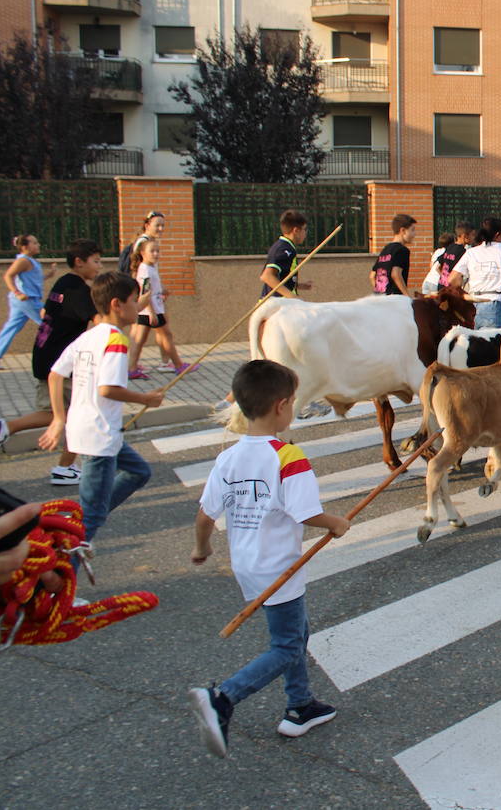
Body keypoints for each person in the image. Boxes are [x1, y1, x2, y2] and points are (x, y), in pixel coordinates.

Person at [187, 359, 350, 759]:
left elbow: (206, 515)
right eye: (293, 402)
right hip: (279, 566)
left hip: (248, 563)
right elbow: (305, 512)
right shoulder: (287, 454)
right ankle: (223, 697)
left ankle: (300, 704)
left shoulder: (229, 457)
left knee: (295, 632)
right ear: (281, 406)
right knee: (288, 645)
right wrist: (336, 523)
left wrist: (202, 548)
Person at [37, 272, 163, 543]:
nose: (136, 307)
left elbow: (55, 374)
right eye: (132, 301)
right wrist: (146, 399)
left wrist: (60, 418)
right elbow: (108, 389)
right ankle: (65, 556)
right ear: (117, 304)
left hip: (92, 430)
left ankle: (83, 516)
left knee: (140, 471)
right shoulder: (116, 341)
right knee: (91, 520)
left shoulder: (89, 336)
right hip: (99, 436)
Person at [0, 239, 100, 485]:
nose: (98, 266)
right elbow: (98, 320)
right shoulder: (77, 288)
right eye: (96, 261)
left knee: (62, 413)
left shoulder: (63, 282)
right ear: (79, 261)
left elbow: (46, 313)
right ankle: (65, 467)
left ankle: (64, 465)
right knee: (82, 413)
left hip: (46, 354)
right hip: (60, 361)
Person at [450, 217, 501, 329]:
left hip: (472, 305)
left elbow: (452, 279)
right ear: (498, 234)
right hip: (494, 305)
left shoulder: (470, 253)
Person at [127, 237, 192, 379]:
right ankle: (178, 365)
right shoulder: (145, 270)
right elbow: (145, 292)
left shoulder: (151, 267)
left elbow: (153, 288)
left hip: (153, 308)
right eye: (152, 251)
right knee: (166, 335)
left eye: (158, 251)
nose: (156, 254)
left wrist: (162, 291)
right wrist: (151, 312)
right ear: (143, 253)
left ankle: (131, 368)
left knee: (140, 340)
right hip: (152, 310)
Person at [0, 234, 43, 364]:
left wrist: (50, 274)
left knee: (11, 327)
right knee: (49, 324)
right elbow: (8, 276)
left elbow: (33, 280)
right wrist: (17, 292)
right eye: (34, 243)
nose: (38, 245)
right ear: (25, 247)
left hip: (24, 300)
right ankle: (51, 353)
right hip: (26, 300)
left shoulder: (30, 261)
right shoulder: (23, 261)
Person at [260, 210, 312, 299]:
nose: (305, 233)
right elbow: (267, 276)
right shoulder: (284, 249)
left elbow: (281, 278)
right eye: (304, 229)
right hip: (276, 305)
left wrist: (298, 285)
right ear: (296, 230)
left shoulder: (286, 247)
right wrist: (292, 296)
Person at [371, 214, 416, 296]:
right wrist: (407, 296)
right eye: (412, 230)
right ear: (403, 231)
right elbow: (395, 274)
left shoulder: (385, 249)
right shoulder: (402, 250)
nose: (414, 234)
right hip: (394, 299)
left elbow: (372, 275)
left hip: (379, 297)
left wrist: (380, 293)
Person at [117, 211, 164, 275]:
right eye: (157, 225)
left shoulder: (148, 241)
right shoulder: (143, 242)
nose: (161, 228)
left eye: (162, 225)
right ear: (147, 226)